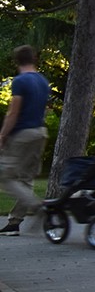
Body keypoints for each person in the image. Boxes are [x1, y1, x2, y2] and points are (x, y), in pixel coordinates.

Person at [0, 46, 50, 236]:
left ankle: (37, 205)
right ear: (34, 59)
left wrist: (3, 135)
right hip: (40, 132)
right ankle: (14, 223)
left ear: (16, 61)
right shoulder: (43, 81)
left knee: (4, 175)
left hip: (23, 134)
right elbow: (45, 109)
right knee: (26, 178)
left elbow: (13, 112)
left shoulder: (20, 81)